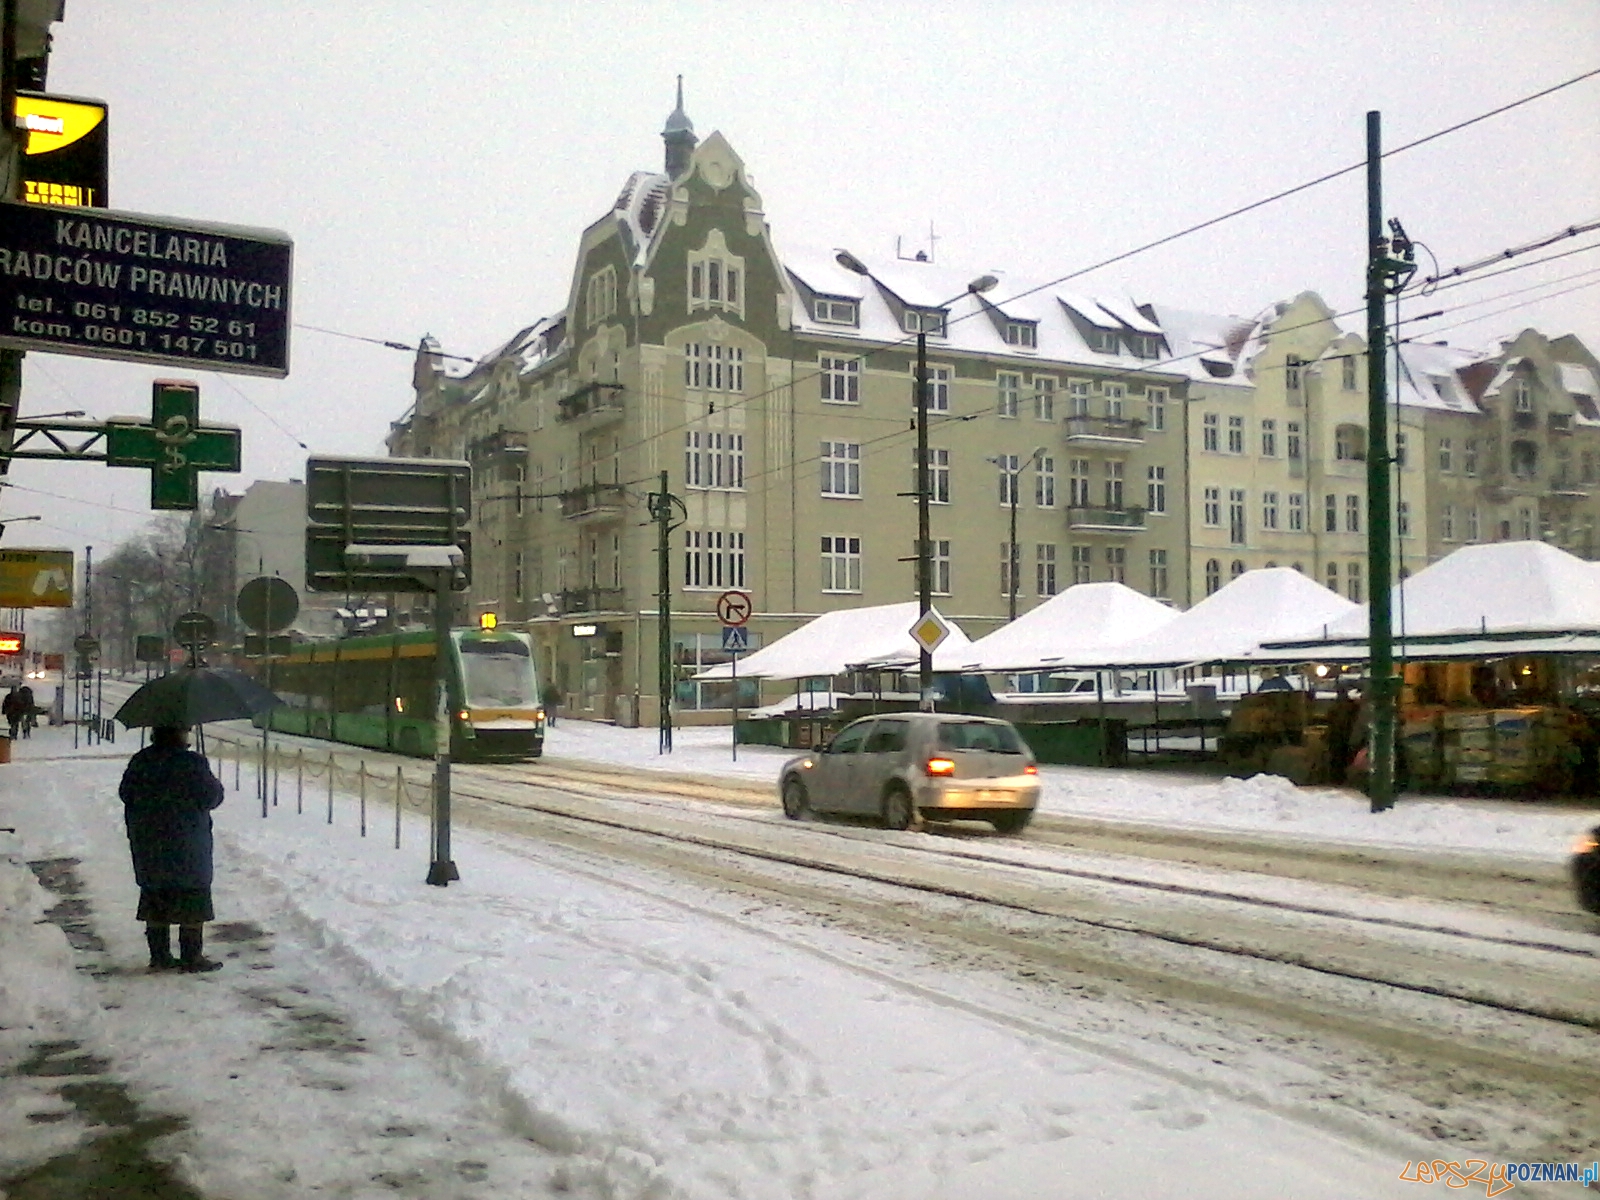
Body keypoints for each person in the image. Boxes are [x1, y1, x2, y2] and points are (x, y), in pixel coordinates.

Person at [118, 725, 227, 972]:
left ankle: (160, 956)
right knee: (192, 899)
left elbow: (126, 794)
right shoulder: (193, 763)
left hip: (150, 841)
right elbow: (212, 797)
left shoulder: (142, 761)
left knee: (156, 896)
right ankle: (191, 957)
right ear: (182, 735)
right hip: (187, 843)